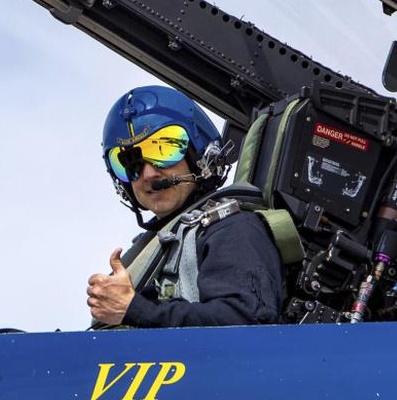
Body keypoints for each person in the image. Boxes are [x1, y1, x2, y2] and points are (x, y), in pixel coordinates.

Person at [87, 85, 283, 327]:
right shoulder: (155, 248)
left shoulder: (234, 229)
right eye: (129, 162)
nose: (148, 173)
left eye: (164, 148)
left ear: (199, 154)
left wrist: (137, 310)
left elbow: (248, 321)